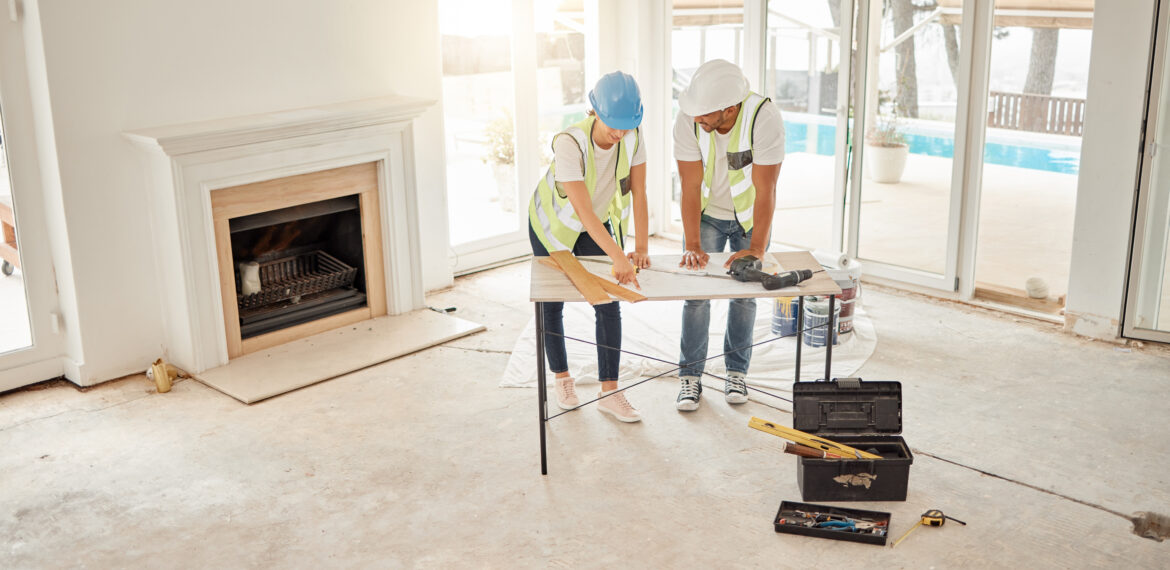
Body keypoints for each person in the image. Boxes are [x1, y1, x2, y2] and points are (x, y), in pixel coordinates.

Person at [528, 71, 651, 423]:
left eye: (627, 125)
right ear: (594, 111)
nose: (619, 133)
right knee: (552, 302)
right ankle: (562, 378)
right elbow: (581, 211)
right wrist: (617, 257)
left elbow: (639, 193)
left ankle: (609, 392)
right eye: (613, 124)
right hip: (552, 226)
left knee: (608, 302)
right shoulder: (570, 143)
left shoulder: (633, 134)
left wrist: (640, 248)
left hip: (596, 223)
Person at [673, 59, 785, 411]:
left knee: (744, 296)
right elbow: (689, 186)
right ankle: (690, 377)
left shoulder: (763, 118)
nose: (697, 119)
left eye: (705, 114)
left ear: (730, 108)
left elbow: (766, 189)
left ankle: (736, 372)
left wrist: (756, 247)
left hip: (750, 217)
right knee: (696, 294)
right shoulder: (689, 119)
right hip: (708, 215)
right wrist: (692, 243)